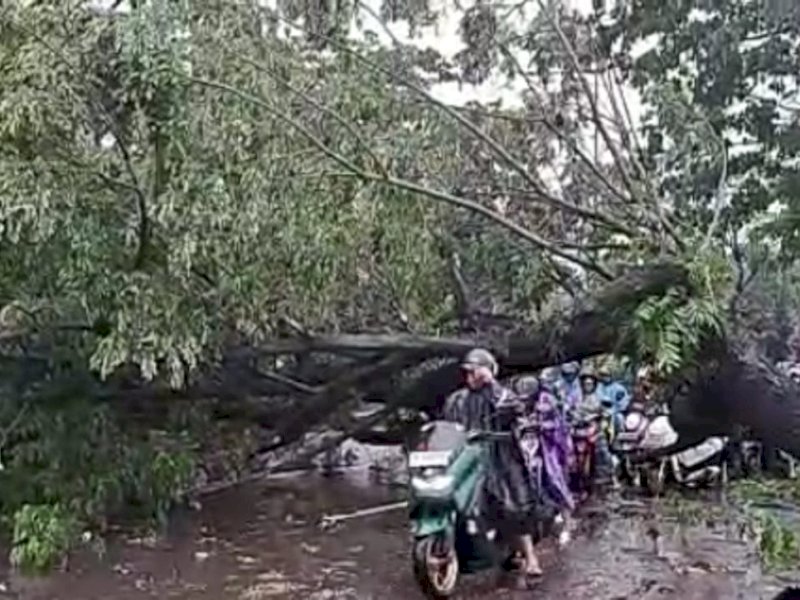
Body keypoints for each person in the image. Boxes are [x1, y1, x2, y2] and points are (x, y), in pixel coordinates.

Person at [443, 349, 544, 580]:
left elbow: (515, 409)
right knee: (458, 502)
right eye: (467, 372)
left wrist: (492, 384)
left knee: (514, 506)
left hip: (500, 456)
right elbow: (448, 428)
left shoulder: (501, 395)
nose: (471, 377)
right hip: (467, 455)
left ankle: (531, 557)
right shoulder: (457, 399)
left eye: (475, 371)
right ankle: (461, 557)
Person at [514, 375, 575, 546]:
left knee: (556, 481)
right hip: (526, 447)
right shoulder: (516, 404)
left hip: (549, 448)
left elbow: (556, 425)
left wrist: (541, 426)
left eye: (527, 397)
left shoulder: (547, 401)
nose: (525, 400)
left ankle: (568, 524)